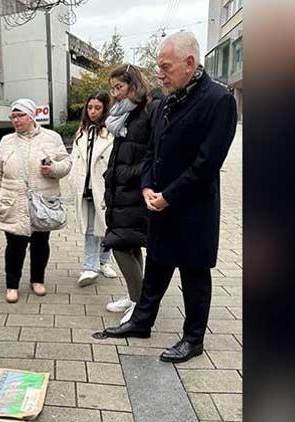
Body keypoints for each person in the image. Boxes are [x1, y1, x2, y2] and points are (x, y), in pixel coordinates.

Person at [102, 31, 238, 364]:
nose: (159, 74)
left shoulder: (218, 100)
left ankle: (193, 339)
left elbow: (207, 163)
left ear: (190, 63)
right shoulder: (165, 101)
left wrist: (169, 196)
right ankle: (142, 322)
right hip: (158, 203)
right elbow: (153, 150)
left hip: (193, 208)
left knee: (194, 274)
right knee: (157, 267)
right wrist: (147, 186)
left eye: (165, 67)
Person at [0, 98, 72, 303]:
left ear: (31, 116)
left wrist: (53, 169)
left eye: (20, 115)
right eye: (13, 117)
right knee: (14, 246)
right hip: (13, 202)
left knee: (41, 244)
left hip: (42, 202)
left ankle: (37, 280)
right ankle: (12, 285)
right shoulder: (6, 141)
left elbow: (67, 163)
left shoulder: (52, 137)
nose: (16, 120)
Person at [100, 64, 160, 321]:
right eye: (112, 88)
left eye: (120, 87)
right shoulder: (126, 113)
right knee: (131, 244)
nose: (115, 93)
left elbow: (153, 153)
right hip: (121, 190)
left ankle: (140, 303)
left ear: (133, 84)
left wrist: (130, 174)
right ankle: (135, 295)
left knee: (120, 245)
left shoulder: (148, 110)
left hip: (135, 190)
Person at [69, 91, 117, 287]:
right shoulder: (81, 132)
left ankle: (104, 261)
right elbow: (74, 159)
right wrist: (73, 180)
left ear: (105, 109)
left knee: (106, 228)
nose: (93, 112)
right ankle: (90, 266)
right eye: (90, 107)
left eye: (97, 108)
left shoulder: (111, 133)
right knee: (90, 229)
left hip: (103, 188)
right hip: (85, 188)